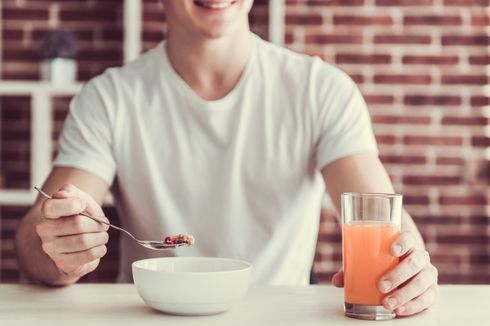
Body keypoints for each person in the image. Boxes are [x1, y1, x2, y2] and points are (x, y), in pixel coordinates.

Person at [15, 0, 438, 317]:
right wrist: (59, 243)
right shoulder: (109, 98)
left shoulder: (321, 90)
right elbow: (36, 241)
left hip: (280, 321)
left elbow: (384, 219)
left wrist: (408, 267)